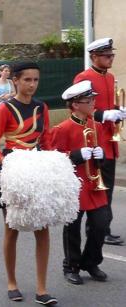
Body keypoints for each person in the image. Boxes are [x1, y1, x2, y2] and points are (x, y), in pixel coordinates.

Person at [0, 62, 57, 306]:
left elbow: (46, 140)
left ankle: (41, 288)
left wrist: (52, 163)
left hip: (36, 171)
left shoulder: (41, 107)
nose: (32, 85)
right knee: (12, 229)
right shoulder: (5, 108)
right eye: (27, 80)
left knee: (43, 229)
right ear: (15, 80)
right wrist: (7, 164)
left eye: (36, 80)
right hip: (12, 171)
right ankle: (12, 282)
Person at [52, 80, 111, 285]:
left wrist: (101, 154)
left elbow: (102, 152)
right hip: (75, 184)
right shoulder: (62, 128)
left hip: (95, 184)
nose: (94, 102)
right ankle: (71, 265)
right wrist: (76, 155)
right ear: (76, 104)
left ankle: (91, 262)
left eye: (93, 99)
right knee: (73, 228)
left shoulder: (96, 125)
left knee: (101, 225)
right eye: (89, 100)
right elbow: (55, 158)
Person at [73, 38, 126, 246]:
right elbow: (79, 108)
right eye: (107, 55)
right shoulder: (84, 78)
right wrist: (105, 114)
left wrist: (117, 110)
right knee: (95, 189)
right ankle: (96, 230)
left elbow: (108, 103)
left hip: (109, 143)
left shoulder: (110, 77)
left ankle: (104, 228)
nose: (111, 58)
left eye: (112, 55)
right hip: (93, 141)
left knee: (108, 190)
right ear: (94, 57)